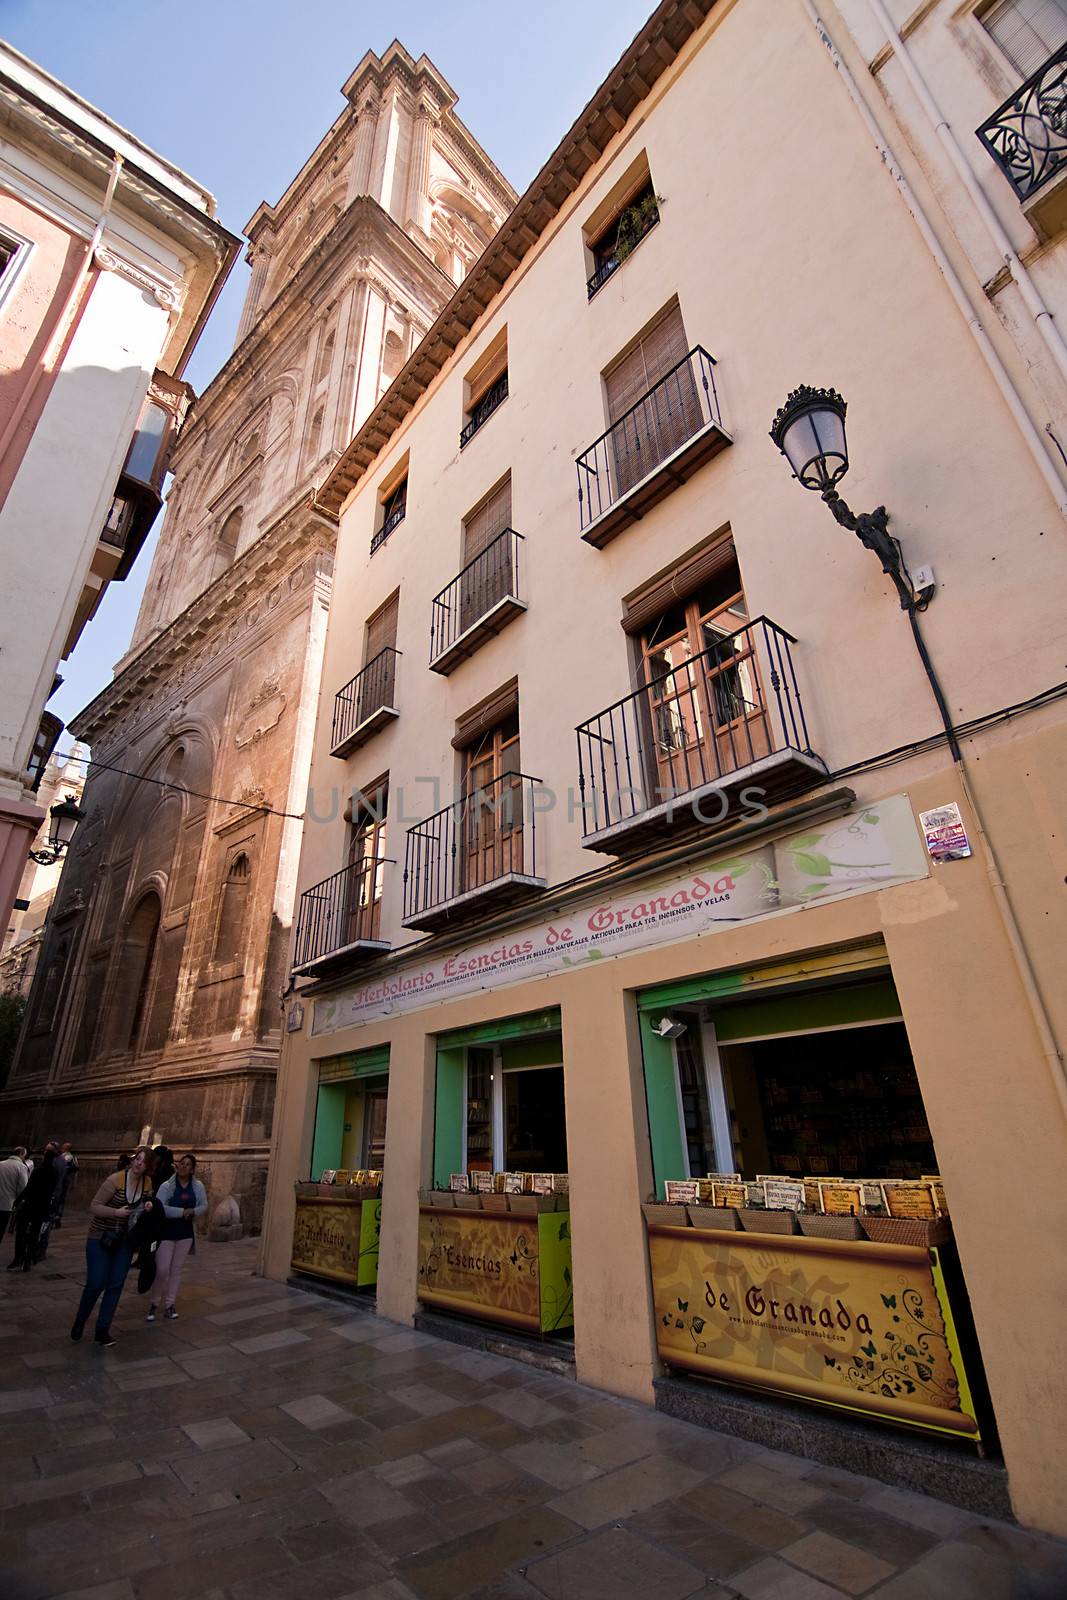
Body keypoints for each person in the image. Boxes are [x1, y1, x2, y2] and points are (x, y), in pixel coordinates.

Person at [70, 1146, 155, 1348]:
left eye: (143, 1161)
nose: (138, 1163)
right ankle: (81, 1320)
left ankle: (102, 1330)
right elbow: (94, 1205)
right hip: (100, 1237)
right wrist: (116, 1213)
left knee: (116, 1284)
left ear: (147, 1167)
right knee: (96, 1282)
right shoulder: (114, 1180)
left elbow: (148, 1203)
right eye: (137, 1159)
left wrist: (149, 1206)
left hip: (125, 1241)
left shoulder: (147, 1183)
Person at [149, 1153, 207, 1322]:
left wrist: (193, 1212)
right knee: (162, 1269)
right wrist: (182, 1212)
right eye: (182, 1163)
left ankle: (169, 1304)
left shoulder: (197, 1186)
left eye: (188, 1165)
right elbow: (160, 1207)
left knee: (176, 1269)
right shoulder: (168, 1186)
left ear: (192, 1169)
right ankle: (154, 1302)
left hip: (185, 1233)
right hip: (166, 1232)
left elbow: (204, 1205)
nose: (183, 1166)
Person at [8, 1143, 59, 1270]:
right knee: (35, 1234)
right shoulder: (54, 1173)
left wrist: (17, 1201)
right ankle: (28, 1261)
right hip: (43, 1206)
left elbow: (29, 1188)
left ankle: (18, 1258)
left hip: (30, 1204)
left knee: (21, 1232)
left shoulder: (38, 1171)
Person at [0, 1146, 29, 1248]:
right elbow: (23, 1188)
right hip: (8, 1203)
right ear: (22, 1154)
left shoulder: (1, 1164)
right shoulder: (21, 1167)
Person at [54, 1142, 79, 1227]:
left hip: (61, 1181)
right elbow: (75, 1172)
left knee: (58, 1199)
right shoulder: (72, 1158)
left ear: (65, 1148)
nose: (61, 1148)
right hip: (65, 1181)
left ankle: (56, 1216)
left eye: (62, 1147)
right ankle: (57, 1217)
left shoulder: (64, 1158)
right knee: (61, 1200)